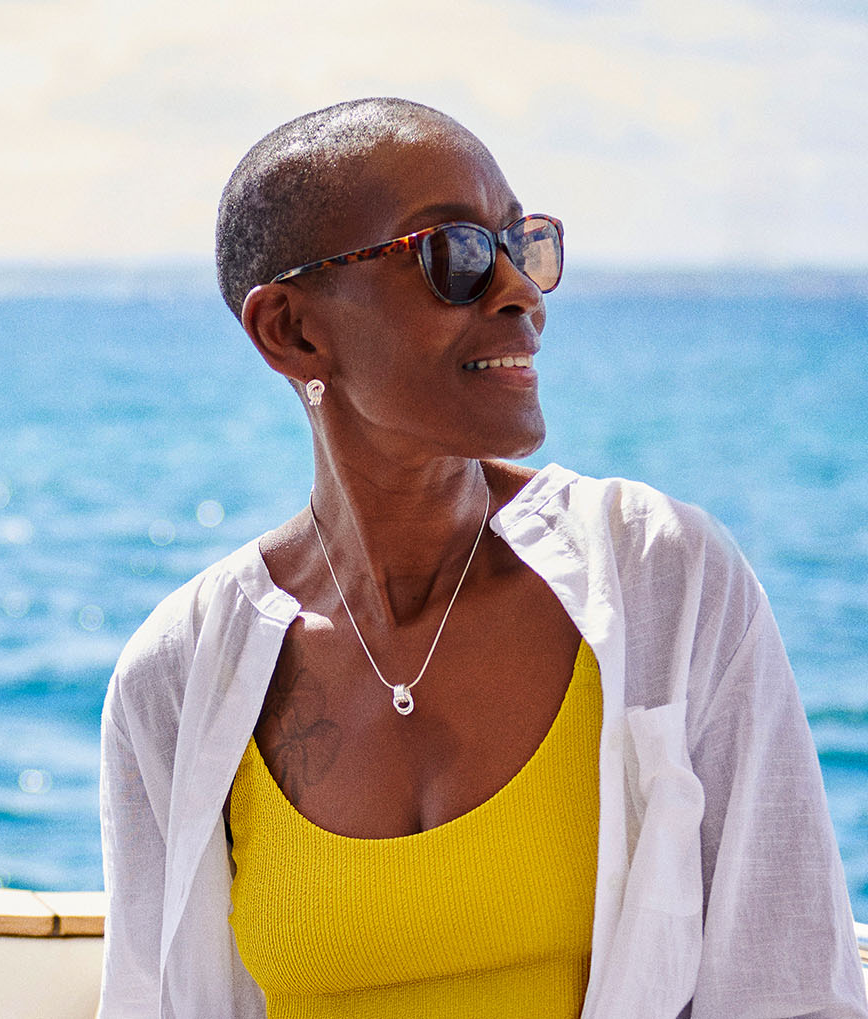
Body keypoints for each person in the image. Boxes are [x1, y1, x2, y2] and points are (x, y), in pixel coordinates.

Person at [96, 97, 868, 1018]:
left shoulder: (666, 580)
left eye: (523, 244)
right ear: (292, 331)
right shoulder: (179, 678)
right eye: (454, 255)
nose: (521, 291)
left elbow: (788, 987)